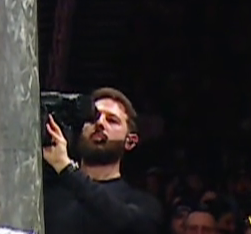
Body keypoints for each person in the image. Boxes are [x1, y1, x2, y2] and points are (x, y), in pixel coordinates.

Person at [42, 87, 163, 234]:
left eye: (112, 120)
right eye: (93, 118)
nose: (99, 123)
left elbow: (125, 223)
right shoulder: (49, 194)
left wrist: (67, 169)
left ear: (130, 141)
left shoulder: (143, 203)